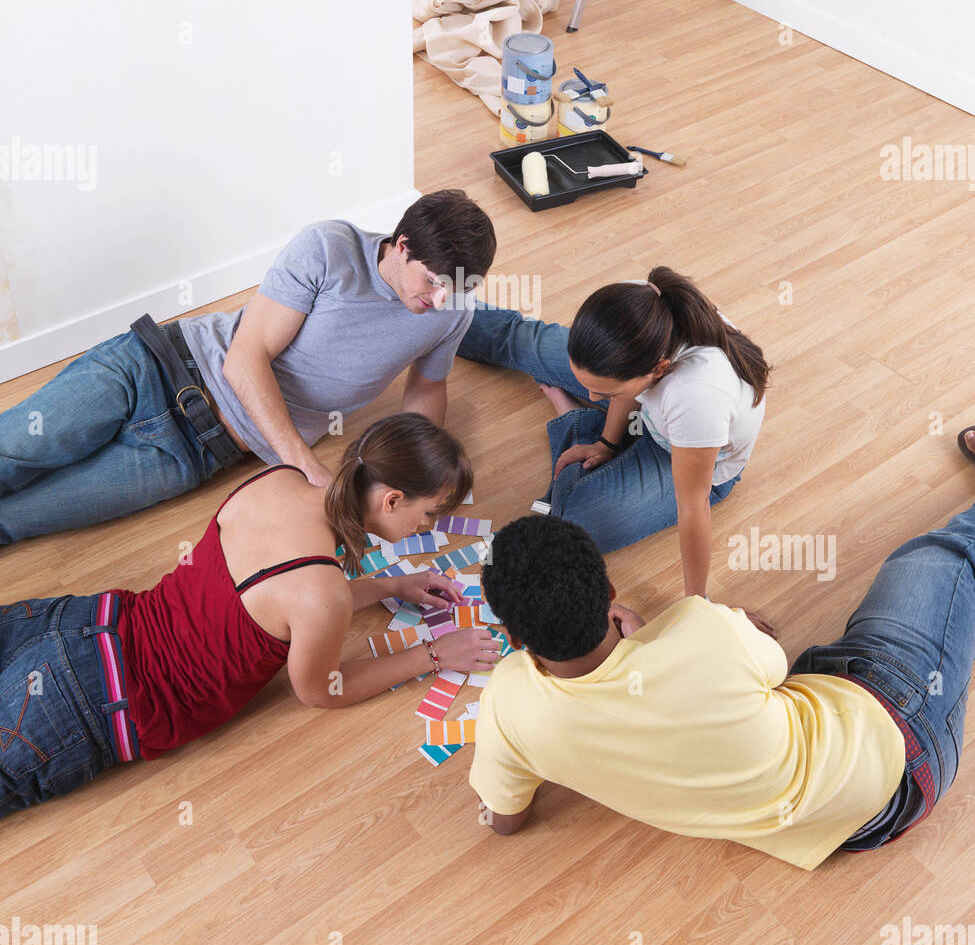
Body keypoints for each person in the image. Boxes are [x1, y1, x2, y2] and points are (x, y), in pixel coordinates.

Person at [0, 413, 500, 818]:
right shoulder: (321, 594)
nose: (425, 525)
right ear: (391, 499)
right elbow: (322, 690)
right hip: (91, 703)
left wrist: (392, 585)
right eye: (430, 513)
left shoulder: (279, 480)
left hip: (81, 622)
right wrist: (435, 652)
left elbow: (280, 594)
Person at [468, 499, 975, 870]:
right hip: (896, 740)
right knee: (946, 552)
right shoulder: (700, 625)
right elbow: (774, 663)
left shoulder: (506, 704)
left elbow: (505, 820)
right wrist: (658, 639)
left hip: (854, 817)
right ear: (611, 592)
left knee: (828, 655)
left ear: (512, 635)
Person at [0, 189, 496, 544]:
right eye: (432, 282)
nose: (439, 299)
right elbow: (244, 360)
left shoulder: (450, 310)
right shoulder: (330, 248)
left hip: (196, 454)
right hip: (155, 368)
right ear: (403, 244)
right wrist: (307, 469)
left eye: (454, 289)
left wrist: (416, 476)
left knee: (19, 518)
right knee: (12, 453)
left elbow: (427, 388)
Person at [456, 265, 768, 600]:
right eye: (588, 391)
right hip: (645, 404)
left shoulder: (698, 396)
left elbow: (692, 506)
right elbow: (622, 389)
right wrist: (606, 442)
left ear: (658, 368)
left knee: (571, 523)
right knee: (528, 342)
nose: (591, 397)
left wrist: (698, 603)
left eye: (602, 396)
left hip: (684, 457)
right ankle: (446, 309)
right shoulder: (638, 305)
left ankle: (574, 419)